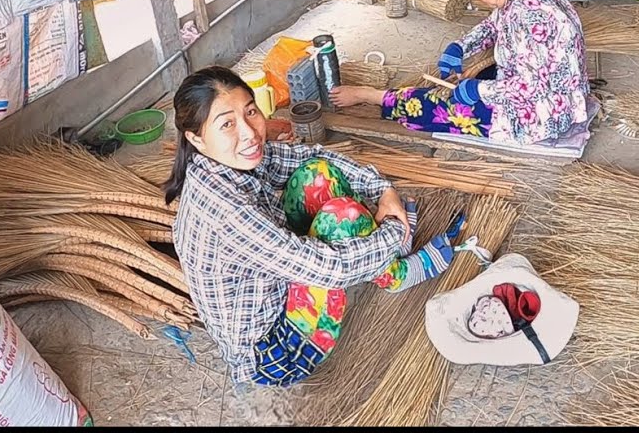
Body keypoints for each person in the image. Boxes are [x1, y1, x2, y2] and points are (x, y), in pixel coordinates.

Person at [166, 66, 466, 388]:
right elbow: (330, 268)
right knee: (344, 217)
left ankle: (384, 257)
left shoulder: (225, 162)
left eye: (250, 112)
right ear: (196, 138)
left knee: (317, 174)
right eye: (227, 124)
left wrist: (383, 190)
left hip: (279, 280)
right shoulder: (224, 211)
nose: (250, 133)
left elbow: (310, 157)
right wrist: (393, 229)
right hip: (274, 353)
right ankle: (395, 273)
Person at [331, 0, 593, 147]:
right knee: (470, 79)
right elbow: (494, 25)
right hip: (557, 95)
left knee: (431, 106)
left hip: (542, 115)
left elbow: (530, 87)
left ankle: (372, 95)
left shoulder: (527, 13)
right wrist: (460, 47)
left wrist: (479, 90)